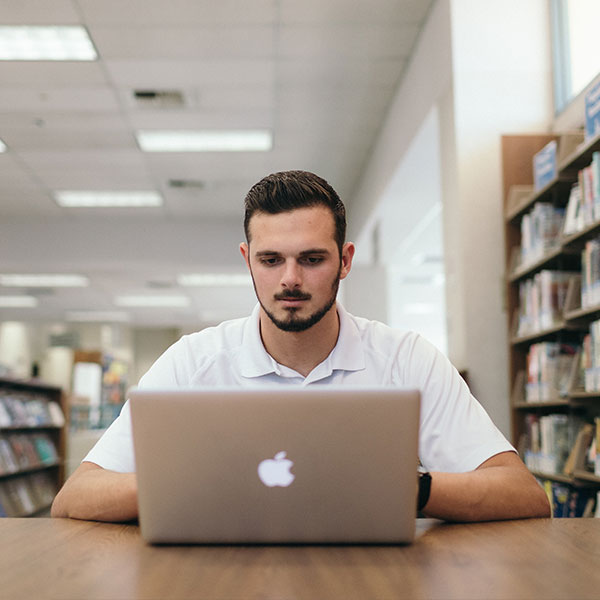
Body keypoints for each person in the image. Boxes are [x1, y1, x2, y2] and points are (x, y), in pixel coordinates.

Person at [51, 170, 550, 523]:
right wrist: (195, 485)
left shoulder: (407, 359)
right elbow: (77, 496)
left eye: (312, 258)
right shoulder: (192, 362)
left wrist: (407, 487)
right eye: (271, 260)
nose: (290, 279)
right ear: (247, 260)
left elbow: (523, 495)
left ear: (345, 259)